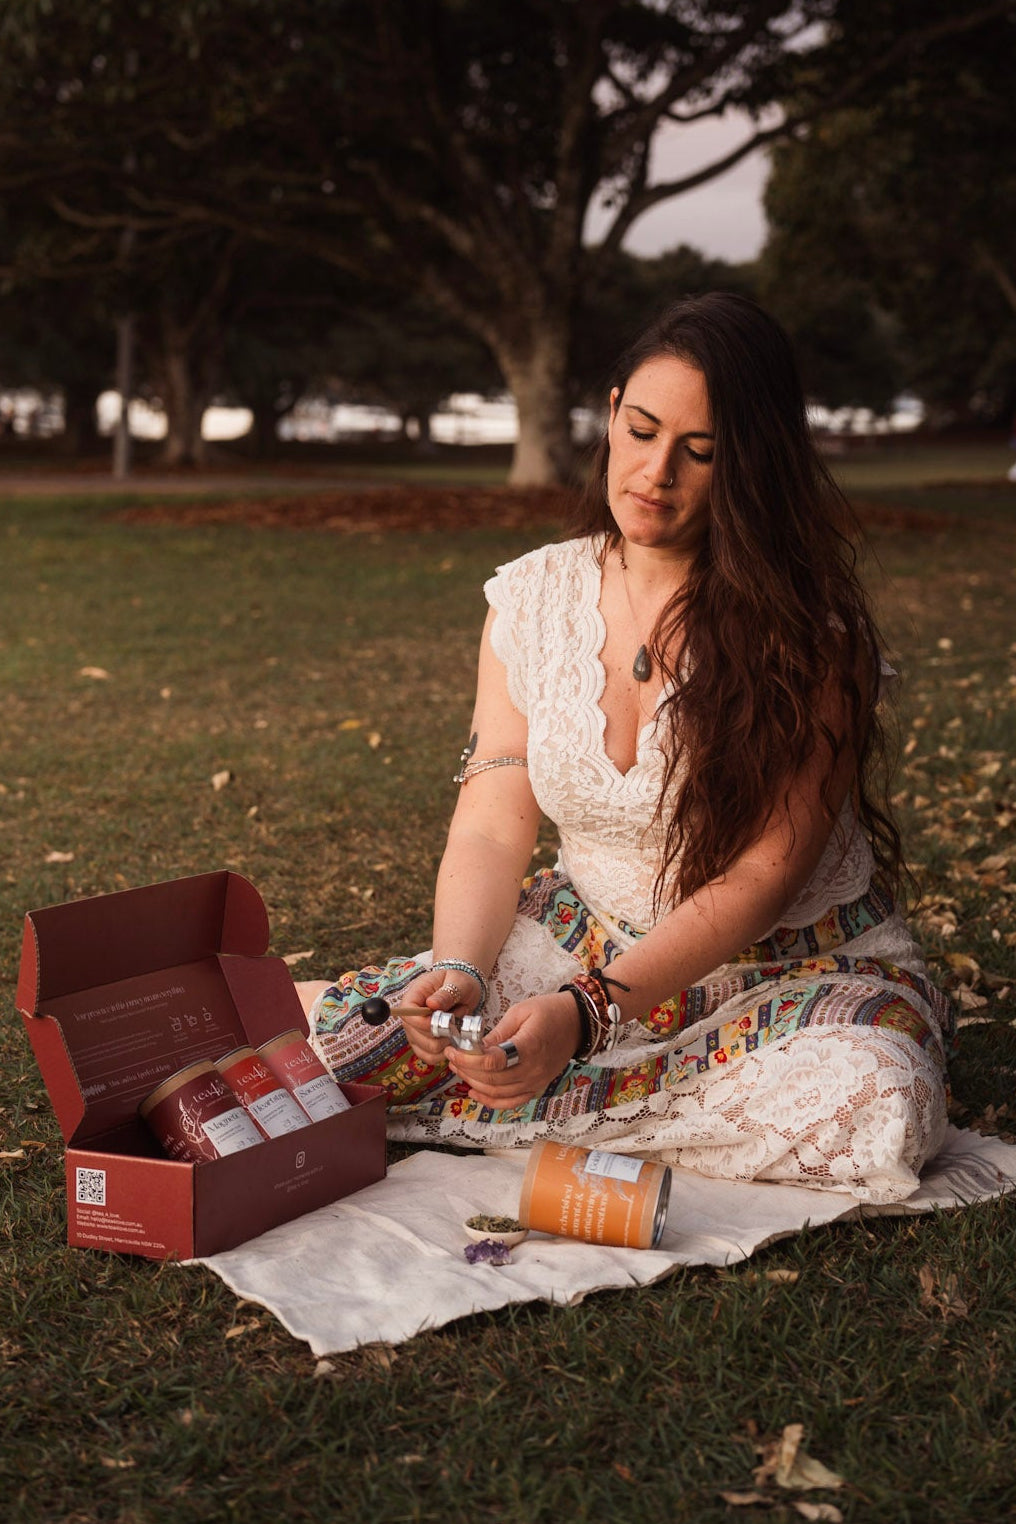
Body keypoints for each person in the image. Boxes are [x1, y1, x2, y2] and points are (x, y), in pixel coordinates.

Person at [296, 292, 952, 1204]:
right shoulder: (530, 598)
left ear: (750, 466)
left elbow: (763, 877)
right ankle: (571, 1091)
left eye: (702, 451)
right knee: (348, 1047)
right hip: (582, 939)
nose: (655, 472)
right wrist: (459, 968)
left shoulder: (813, 635)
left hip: (788, 976)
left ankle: (552, 1096)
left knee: (874, 1108)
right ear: (609, 416)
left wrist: (588, 1015)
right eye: (641, 431)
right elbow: (492, 821)